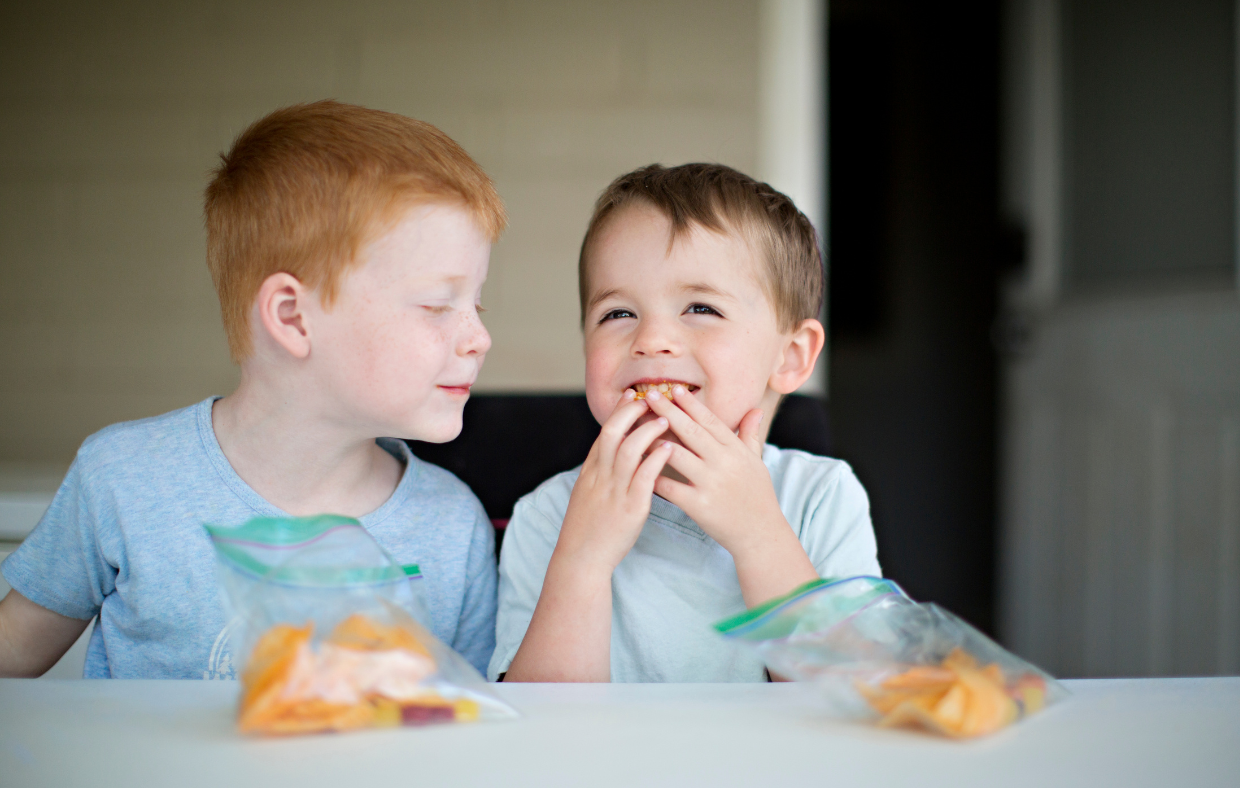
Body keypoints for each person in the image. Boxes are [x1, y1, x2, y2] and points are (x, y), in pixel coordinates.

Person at [0, 101, 505, 679]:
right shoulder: (122, 480)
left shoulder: (451, 525)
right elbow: (11, 656)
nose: (479, 337)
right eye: (438, 305)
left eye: (477, 304)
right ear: (292, 317)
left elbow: (466, 740)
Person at [491, 163, 881, 682]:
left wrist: (758, 535)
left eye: (700, 307)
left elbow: (853, 700)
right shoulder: (548, 517)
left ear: (789, 356)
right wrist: (582, 563)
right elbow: (540, 731)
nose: (651, 339)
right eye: (618, 314)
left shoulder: (821, 498)